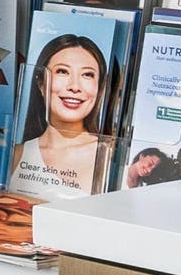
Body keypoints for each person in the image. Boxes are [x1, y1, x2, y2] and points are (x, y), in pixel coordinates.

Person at [7, 34, 113, 199]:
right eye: (62, 71)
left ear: (99, 89)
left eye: (87, 75)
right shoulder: (15, 155)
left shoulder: (110, 156)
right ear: (41, 84)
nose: (74, 87)